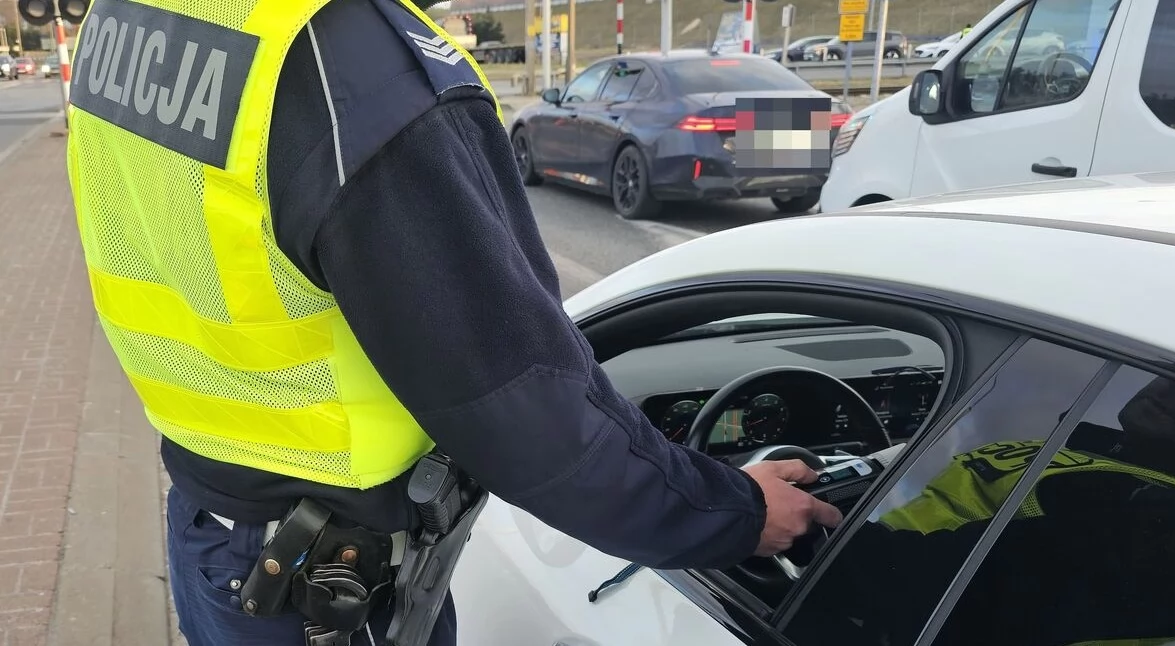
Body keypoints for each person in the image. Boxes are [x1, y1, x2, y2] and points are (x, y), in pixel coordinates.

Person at [63, 0, 842, 644]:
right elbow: (524, 407)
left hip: (213, 523)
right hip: (322, 584)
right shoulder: (340, 64)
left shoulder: (127, 15)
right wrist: (732, 515)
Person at [792, 375, 1175, 645]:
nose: (1171, 386)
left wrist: (795, 528)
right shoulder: (1093, 449)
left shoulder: (1169, 519)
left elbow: (949, 590)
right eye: (1170, 371)